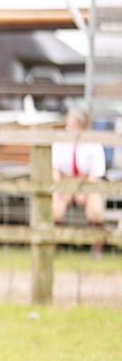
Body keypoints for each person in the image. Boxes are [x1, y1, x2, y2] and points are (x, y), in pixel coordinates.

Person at [51, 108, 108, 257]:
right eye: (68, 124)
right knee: (56, 206)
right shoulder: (60, 141)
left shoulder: (93, 143)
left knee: (95, 205)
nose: (68, 128)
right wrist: (58, 188)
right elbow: (55, 168)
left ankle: (96, 247)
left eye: (72, 125)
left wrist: (84, 190)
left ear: (82, 126)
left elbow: (96, 172)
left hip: (88, 182)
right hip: (65, 182)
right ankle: (52, 245)